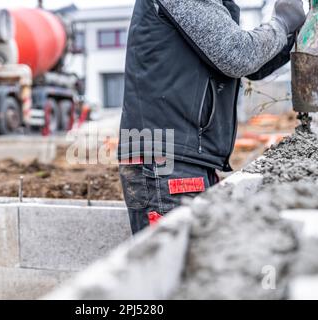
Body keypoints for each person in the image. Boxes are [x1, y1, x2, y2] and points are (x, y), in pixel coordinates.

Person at [118, 0, 306, 234]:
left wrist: (294, 34)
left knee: (194, 261)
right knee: (179, 265)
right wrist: (282, 22)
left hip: (183, 158)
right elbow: (237, 55)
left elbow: (252, 66)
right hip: (169, 161)